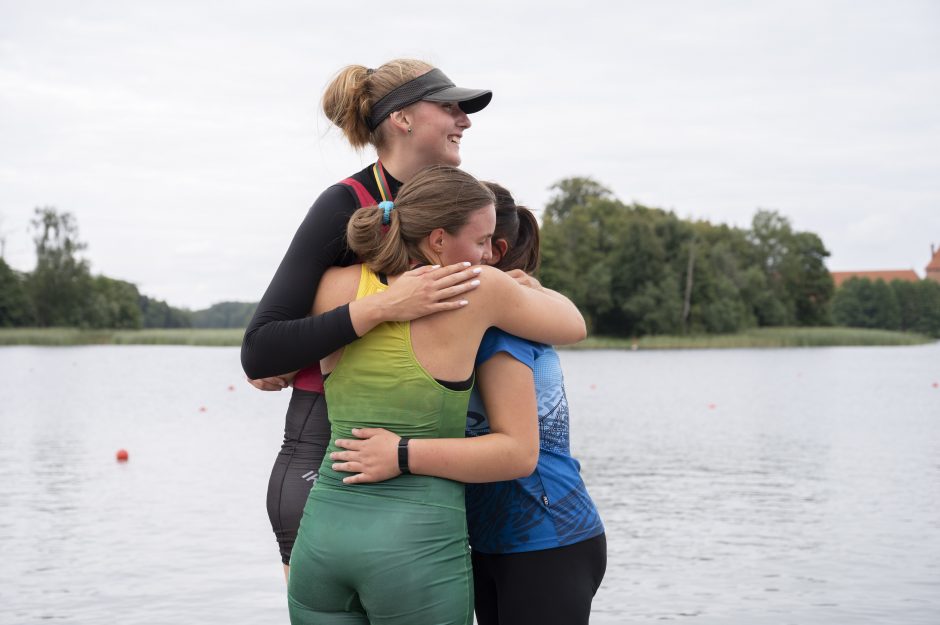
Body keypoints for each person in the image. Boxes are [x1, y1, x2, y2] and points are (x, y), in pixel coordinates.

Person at [240, 59, 585, 579]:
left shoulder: (455, 203)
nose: (464, 120)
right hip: (329, 453)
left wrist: (526, 289)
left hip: (419, 472)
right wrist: (382, 307)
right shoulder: (344, 205)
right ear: (402, 119)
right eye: (449, 107)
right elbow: (262, 351)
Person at [286, 166, 586, 625]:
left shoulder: (332, 285)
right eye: (482, 240)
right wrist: (535, 289)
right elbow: (573, 326)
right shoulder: (477, 288)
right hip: (414, 548)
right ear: (439, 240)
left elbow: (281, 350)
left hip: (323, 539)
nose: (489, 254)